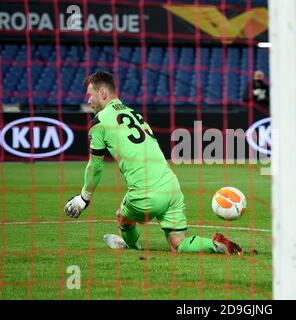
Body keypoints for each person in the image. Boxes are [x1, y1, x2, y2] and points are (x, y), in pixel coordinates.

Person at [64, 71, 243, 255]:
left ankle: (131, 246)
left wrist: (84, 198)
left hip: (146, 194)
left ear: (102, 93)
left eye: (90, 95)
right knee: (178, 244)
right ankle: (215, 245)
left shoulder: (100, 121)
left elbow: (96, 165)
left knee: (121, 217)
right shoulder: (134, 114)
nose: (88, 101)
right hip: (171, 187)